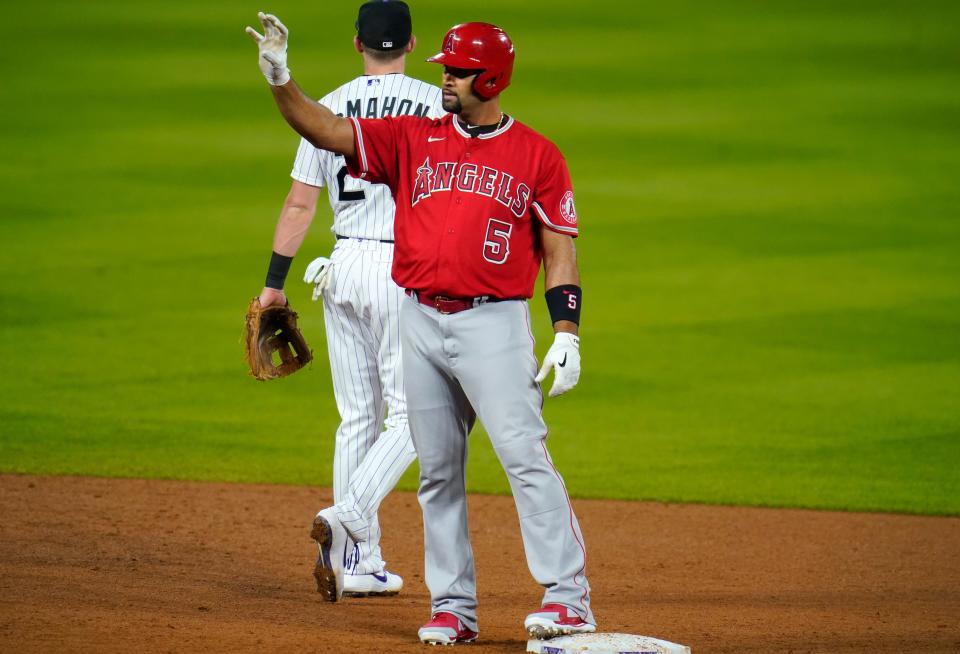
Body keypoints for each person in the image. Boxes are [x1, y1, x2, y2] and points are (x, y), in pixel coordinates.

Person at [246, 12, 597, 643]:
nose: (446, 80)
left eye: (458, 72)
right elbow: (325, 129)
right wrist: (280, 79)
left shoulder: (537, 156)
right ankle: (453, 608)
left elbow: (559, 246)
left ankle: (568, 597)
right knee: (437, 469)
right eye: (445, 69)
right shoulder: (414, 137)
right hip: (419, 317)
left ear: (490, 78)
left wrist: (566, 331)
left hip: (494, 324)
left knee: (524, 459)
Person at [252, 1, 443, 599]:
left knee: (358, 416)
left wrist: (274, 282)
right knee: (414, 419)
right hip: (401, 268)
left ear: (356, 42)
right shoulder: (437, 105)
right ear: (412, 42)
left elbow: (300, 204)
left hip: (339, 267)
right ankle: (347, 515)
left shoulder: (325, 107)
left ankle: (360, 564)